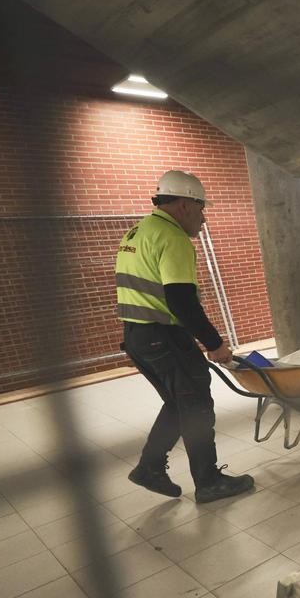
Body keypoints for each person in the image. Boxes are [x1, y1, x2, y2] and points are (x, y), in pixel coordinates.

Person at [116, 170, 254, 503]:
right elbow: (181, 301)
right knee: (196, 404)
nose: (203, 218)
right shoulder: (172, 237)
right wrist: (215, 344)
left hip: (137, 336)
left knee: (178, 403)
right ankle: (208, 482)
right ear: (184, 205)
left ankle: (149, 468)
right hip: (162, 336)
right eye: (201, 208)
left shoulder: (138, 231)